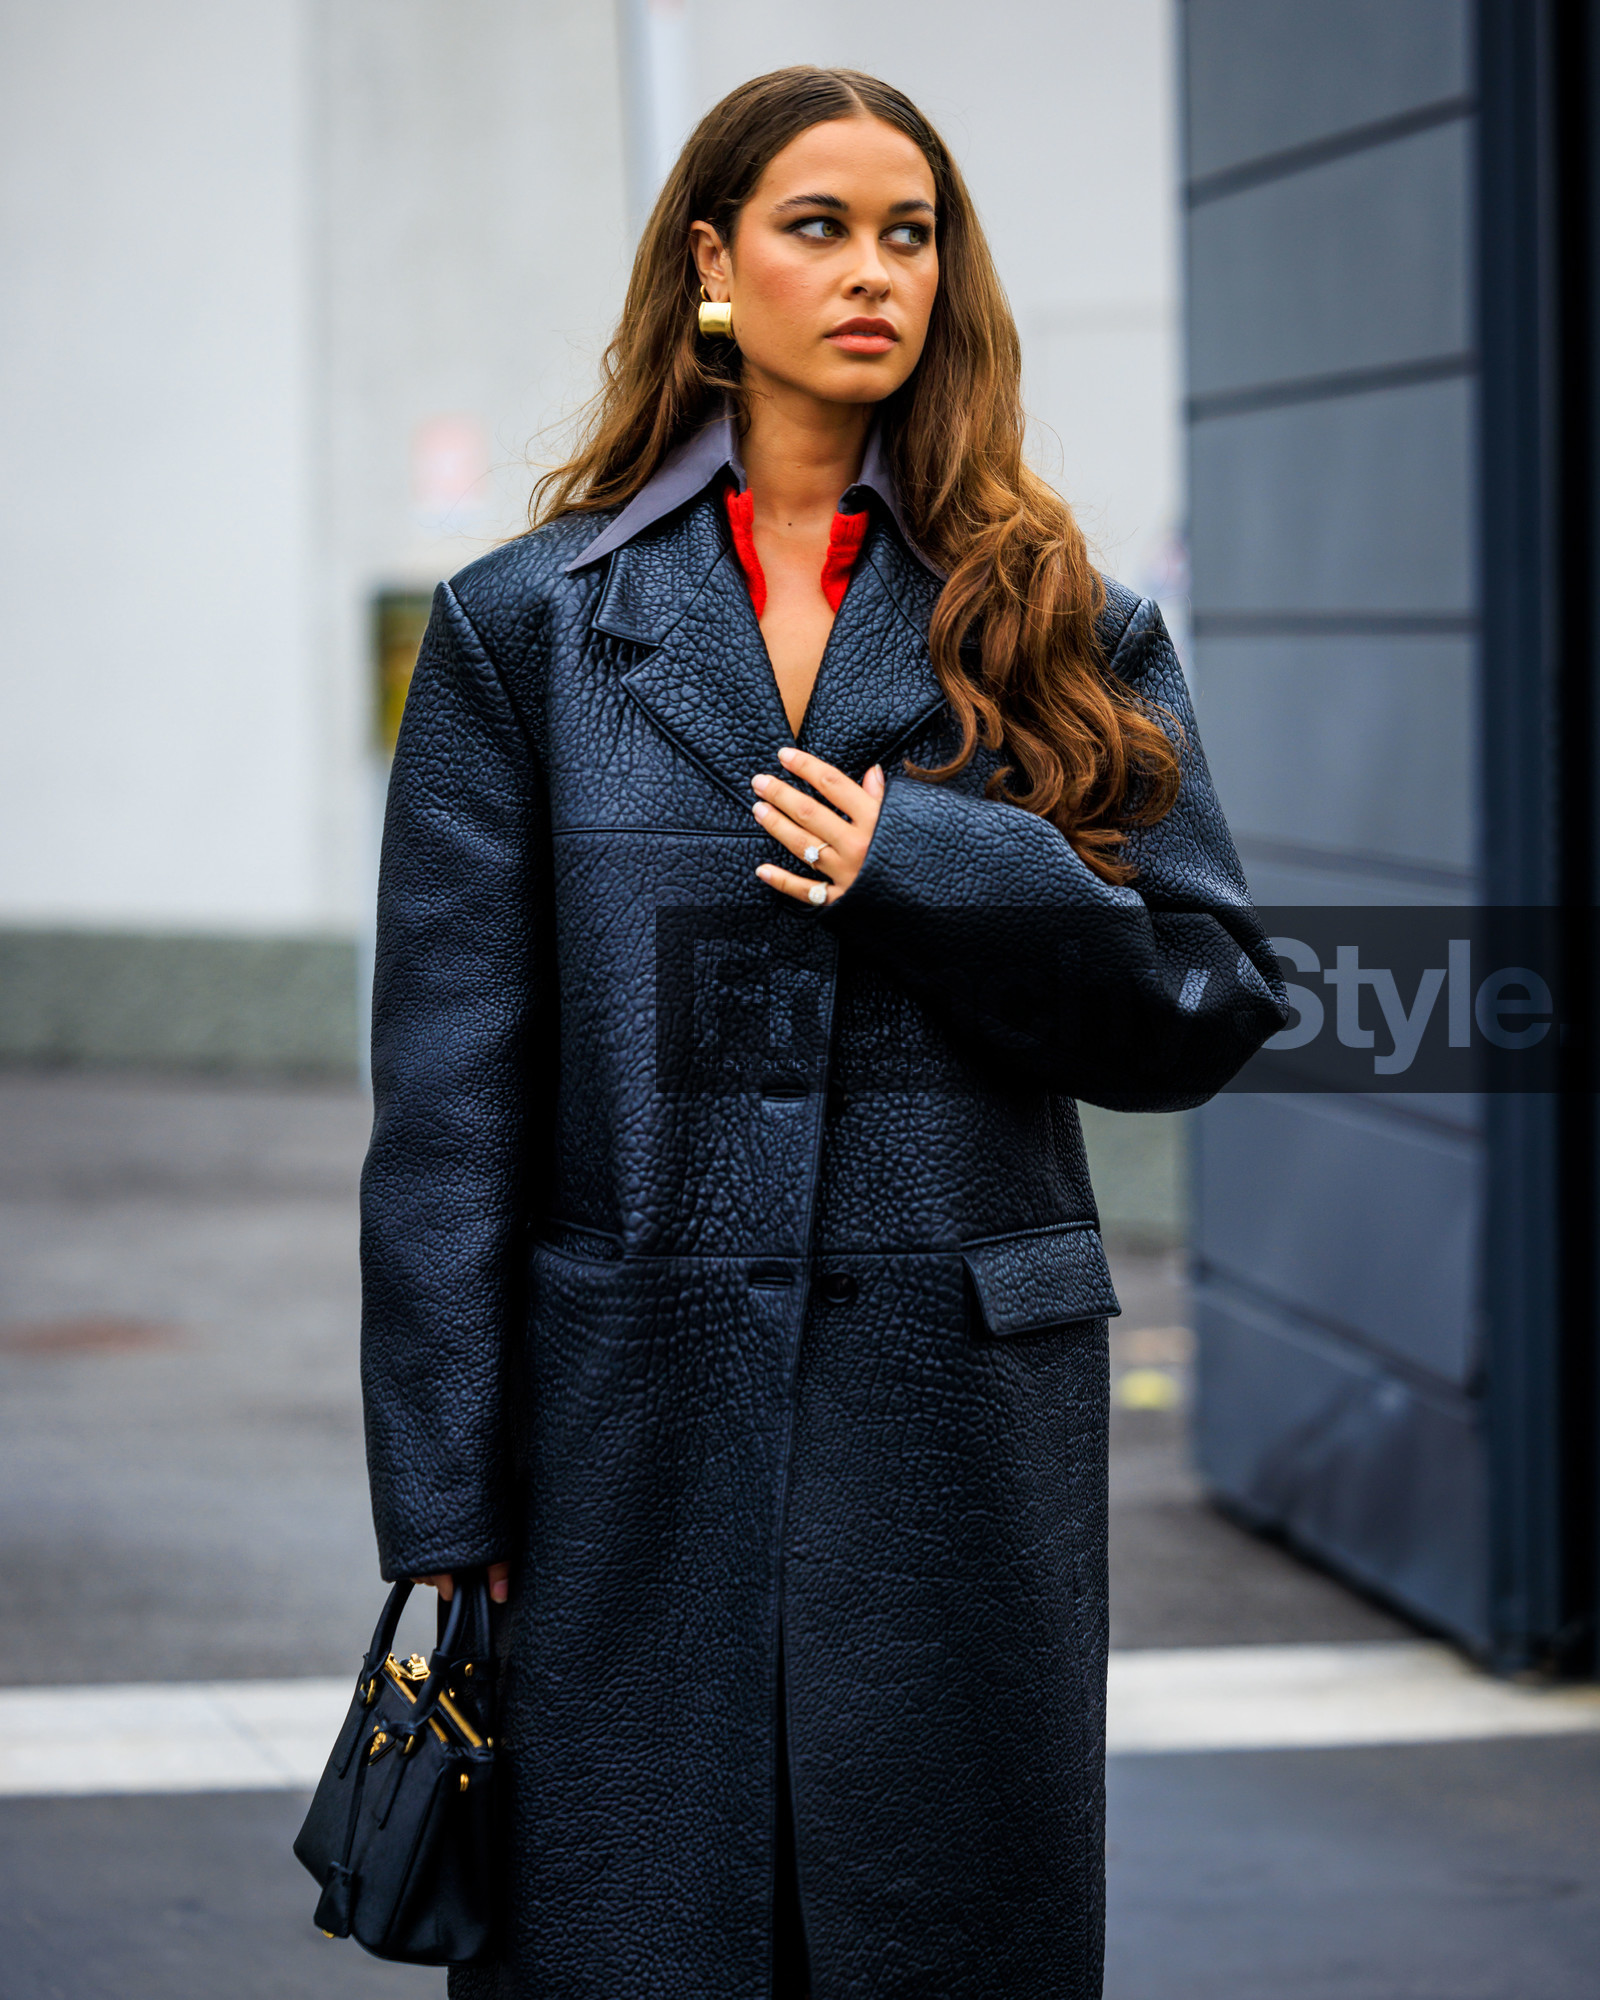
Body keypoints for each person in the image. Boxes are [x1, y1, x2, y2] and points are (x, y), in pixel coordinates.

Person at [359, 64, 1288, 2000]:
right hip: (626, 1412)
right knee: (627, 1928)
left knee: (938, 1931)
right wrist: (447, 1505)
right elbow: (451, 1106)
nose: (871, 272)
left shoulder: (1055, 622)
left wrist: (940, 860)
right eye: (815, 226)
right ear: (711, 261)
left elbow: (1200, 1000)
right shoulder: (525, 628)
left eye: (909, 232)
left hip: (958, 1414)